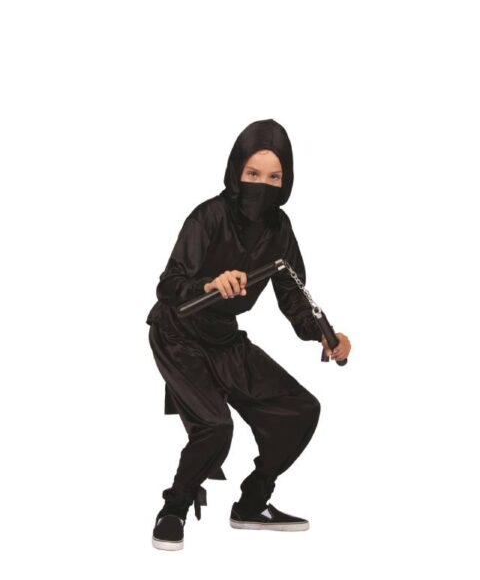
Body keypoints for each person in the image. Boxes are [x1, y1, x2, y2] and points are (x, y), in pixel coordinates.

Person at [146, 118, 351, 550]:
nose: (263, 185)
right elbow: (168, 285)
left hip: (223, 336)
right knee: (215, 427)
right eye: (253, 174)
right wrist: (209, 284)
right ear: (236, 171)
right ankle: (174, 508)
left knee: (300, 409)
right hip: (178, 334)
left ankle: (252, 504)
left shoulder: (280, 230)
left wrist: (325, 335)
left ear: (287, 180)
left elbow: (294, 296)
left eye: (274, 178)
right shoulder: (208, 216)